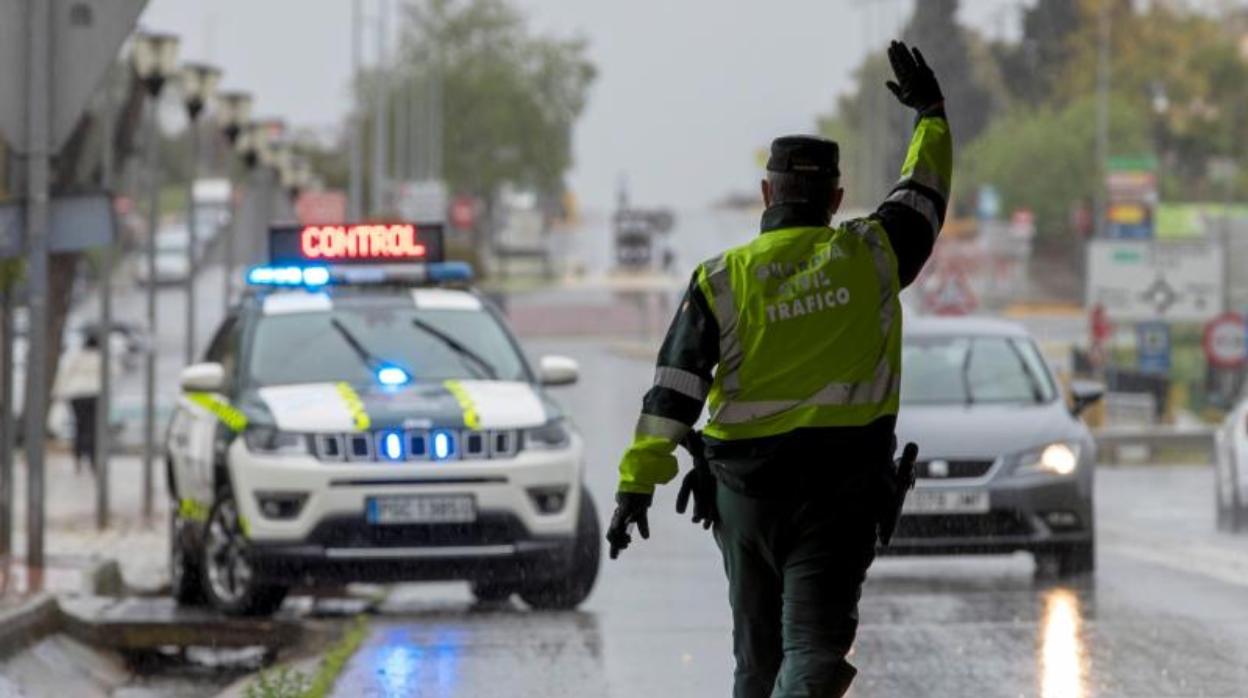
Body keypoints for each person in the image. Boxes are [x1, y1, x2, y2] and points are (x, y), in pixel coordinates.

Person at [605, 41, 952, 697]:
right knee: (813, 650)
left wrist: (636, 487)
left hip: (745, 497)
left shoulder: (721, 280)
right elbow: (923, 193)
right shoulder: (871, 255)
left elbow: (672, 395)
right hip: (837, 492)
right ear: (836, 197)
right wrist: (930, 115)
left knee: (758, 662)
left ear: (768, 193)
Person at [55, 333, 104, 473]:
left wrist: (59, 392)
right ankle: (92, 459)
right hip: (94, 394)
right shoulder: (100, 358)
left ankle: (77, 457)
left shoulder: (75, 357)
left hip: (76, 394)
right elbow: (114, 371)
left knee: (79, 426)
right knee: (93, 427)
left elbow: (64, 373)